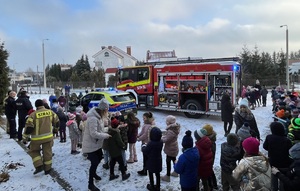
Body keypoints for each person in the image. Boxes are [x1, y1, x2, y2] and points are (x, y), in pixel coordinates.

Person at [22, 99, 59, 175]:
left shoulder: (33, 115)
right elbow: (57, 122)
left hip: (36, 139)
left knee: (34, 151)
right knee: (47, 152)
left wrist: (25, 137)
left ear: (36, 106)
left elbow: (29, 128)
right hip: (48, 137)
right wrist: (55, 131)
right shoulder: (51, 112)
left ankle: (39, 165)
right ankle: (47, 169)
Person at [82, 98, 111, 191]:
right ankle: (90, 184)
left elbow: (100, 130)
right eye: (107, 109)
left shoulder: (99, 116)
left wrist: (108, 130)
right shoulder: (93, 118)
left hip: (96, 144)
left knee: (99, 158)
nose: (108, 111)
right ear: (104, 109)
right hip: (91, 145)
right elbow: (93, 133)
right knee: (94, 163)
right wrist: (106, 135)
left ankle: (94, 173)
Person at [263, 121, 293, 191]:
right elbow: (290, 152)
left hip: (273, 162)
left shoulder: (269, 137)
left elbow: (265, 147)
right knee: (283, 180)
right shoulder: (286, 140)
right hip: (285, 163)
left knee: (274, 178)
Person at [142, 126, 163, 191]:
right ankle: (158, 186)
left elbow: (145, 151)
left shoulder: (151, 143)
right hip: (158, 160)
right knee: (157, 174)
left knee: (151, 173)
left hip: (151, 161)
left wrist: (143, 146)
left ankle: (152, 186)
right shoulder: (161, 141)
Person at [161, 115, 180, 182]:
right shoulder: (174, 128)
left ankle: (168, 176)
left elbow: (166, 139)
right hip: (174, 147)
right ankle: (176, 172)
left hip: (170, 149)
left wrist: (160, 139)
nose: (166, 122)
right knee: (174, 159)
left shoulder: (171, 131)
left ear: (169, 122)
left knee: (168, 161)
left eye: (167, 121)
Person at [202, 124, 218, 190]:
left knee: (209, 174)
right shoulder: (211, 138)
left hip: (209, 161)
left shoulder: (209, 142)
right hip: (210, 160)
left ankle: (211, 186)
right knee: (210, 172)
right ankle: (214, 185)